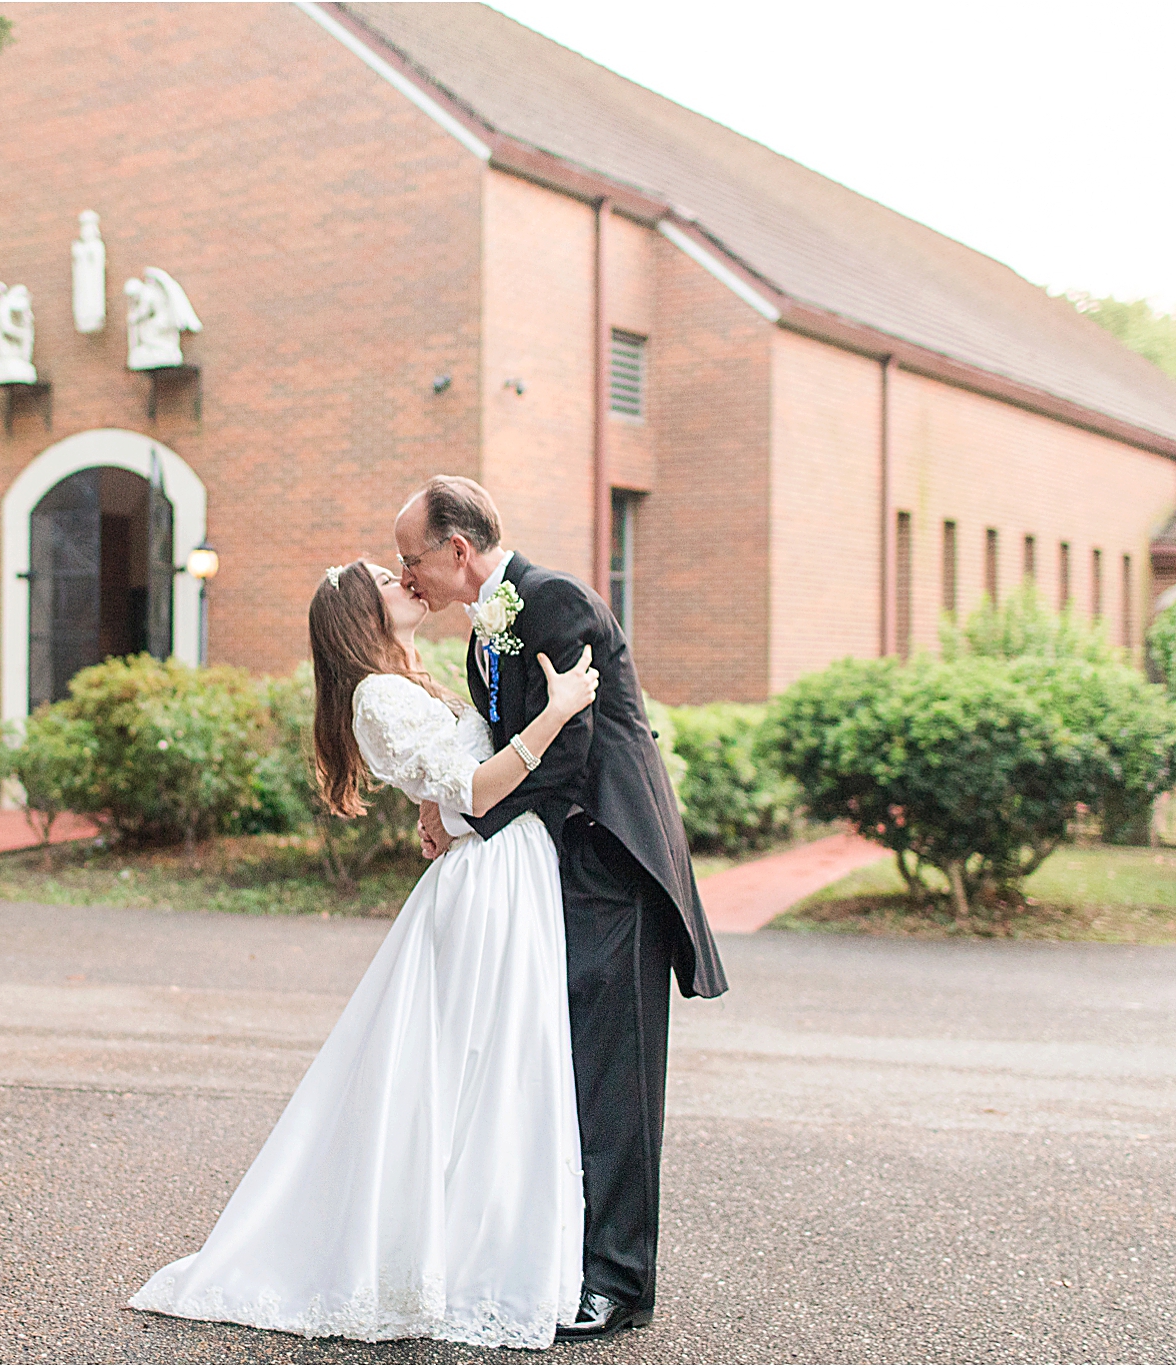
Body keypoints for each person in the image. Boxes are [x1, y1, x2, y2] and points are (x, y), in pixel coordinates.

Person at [129, 558, 603, 1349]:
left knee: (492, 1065)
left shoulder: (411, 681)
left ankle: (475, 1249)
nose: (406, 580)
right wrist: (555, 713)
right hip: (484, 884)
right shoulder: (376, 696)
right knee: (473, 1065)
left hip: (506, 872)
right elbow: (478, 791)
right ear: (361, 614)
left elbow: (449, 786)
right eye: (388, 578)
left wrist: (438, 806)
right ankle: (448, 1261)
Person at [395, 475, 728, 1344]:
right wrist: (440, 802)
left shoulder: (556, 603)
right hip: (553, 869)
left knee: (614, 1076)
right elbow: (495, 743)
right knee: (560, 1068)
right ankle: (561, 1259)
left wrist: (467, 814)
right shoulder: (482, 635)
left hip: (609, 863)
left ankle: (619, 1283)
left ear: (458, 551)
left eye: (413, 557)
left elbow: (566, 751)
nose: (408, 574)